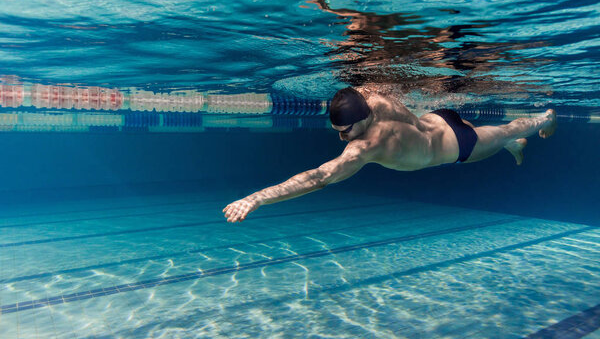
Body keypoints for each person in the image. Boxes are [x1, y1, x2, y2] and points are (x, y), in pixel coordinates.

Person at [223, 86, 557, 223]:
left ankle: (545, 118)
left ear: (364, 118)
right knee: (504, 139)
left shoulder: (366, 147)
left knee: (509, 130)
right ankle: (513, 146)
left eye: (346, 131)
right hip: (439, 118)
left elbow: (320, 176)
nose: (342, 138)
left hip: (456, 147)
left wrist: (257, 198)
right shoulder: (370, 95)